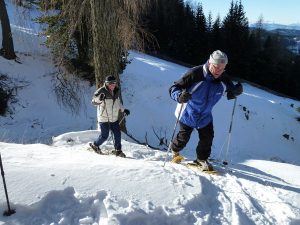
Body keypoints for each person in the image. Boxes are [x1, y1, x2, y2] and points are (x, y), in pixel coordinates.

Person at [169, 50, 243, 171]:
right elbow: (174, 87)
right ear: (210, 63)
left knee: (208, 138)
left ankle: (201, 160)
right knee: (183, 137)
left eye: (222, 68)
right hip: (187, 112)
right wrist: (179, 96)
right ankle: (174, 151)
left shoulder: (223, 78)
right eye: (216, 67)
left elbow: (229, 92)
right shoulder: (195, 73)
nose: (219, 71)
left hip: (205, 115)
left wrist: (236, 91)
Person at [90, 75, 130, 157]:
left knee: (117, 134)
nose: (113, 85)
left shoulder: (116, 91)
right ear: (107, 83)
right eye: (111, 84)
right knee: (105, 135)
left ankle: (118, 151)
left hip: (113, 118)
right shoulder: (101, 91)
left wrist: (123, 110)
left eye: (114, 83)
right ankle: (95, 145)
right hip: (103, 118)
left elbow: (118, 102)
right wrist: (99, 99)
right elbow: (94, 102)